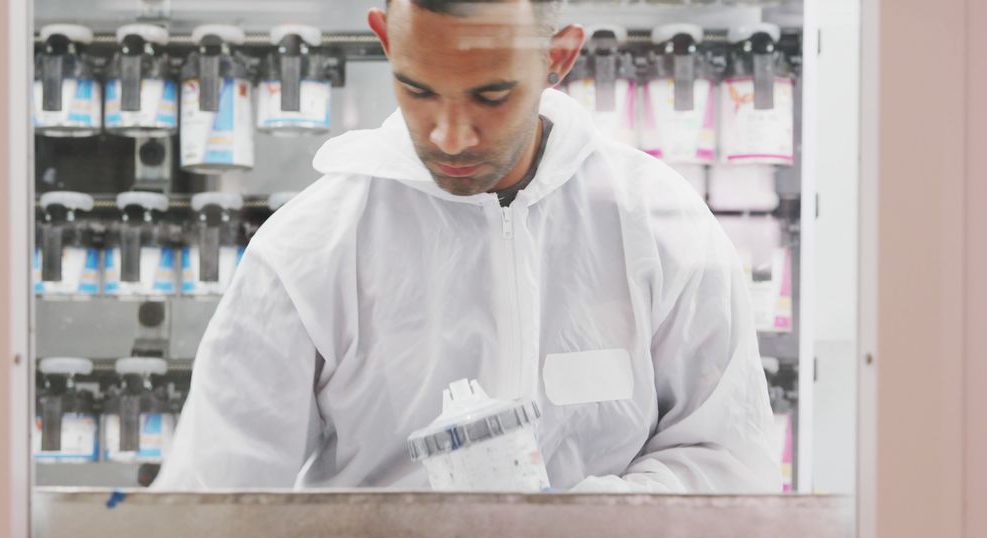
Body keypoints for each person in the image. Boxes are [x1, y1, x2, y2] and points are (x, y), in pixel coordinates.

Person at [154, 0, 781, 493]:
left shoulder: (660, 226)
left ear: (558, 58)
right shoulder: (309, 250)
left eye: (491, 95)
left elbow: (729, 464)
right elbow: (214, 498)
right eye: (419, 90)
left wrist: (589, 524)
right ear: (385, 39)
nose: (450, 138)